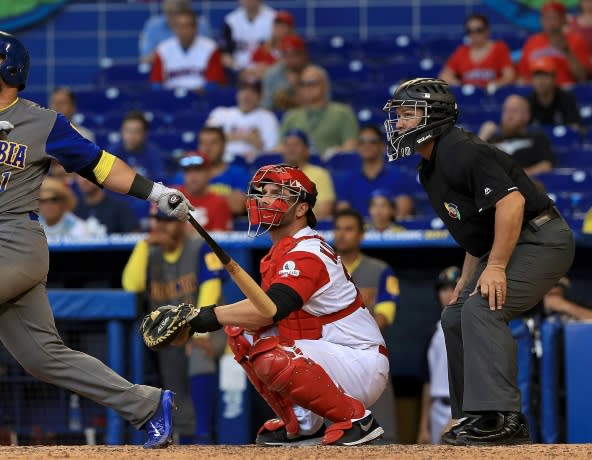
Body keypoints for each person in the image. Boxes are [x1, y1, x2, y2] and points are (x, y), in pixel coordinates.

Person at [0, 30, 194, 448]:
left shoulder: (43, 121)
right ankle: (148, 405)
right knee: (44, 358)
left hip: (13, 236)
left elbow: (99, 165)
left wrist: (154, 192)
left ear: (12, 68)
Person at [382, 77, 575, 445]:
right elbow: (477, 235)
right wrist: (465, 280)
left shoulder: (462, 150)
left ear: (432, 118)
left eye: (408, 114)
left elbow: (512, 202)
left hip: (542, 237)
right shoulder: (429, 169)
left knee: (483, 309)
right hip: (505, 243)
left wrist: (497, 267)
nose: (399, 123)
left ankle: (506, 419)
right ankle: (477, 415)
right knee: (454, 313)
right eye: (399, 115)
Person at [164, 164, 388, 446]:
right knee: (240, 331)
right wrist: (204, 317)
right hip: (327, 353)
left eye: (277, 193)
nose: (265, 199)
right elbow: (261, 316)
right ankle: (301, 425)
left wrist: (204, 317)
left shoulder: (307, 251)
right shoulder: (283, 250)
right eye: (263, 192)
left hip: (358, 360)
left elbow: (272, 308)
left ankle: (357, 420)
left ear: (301, 209)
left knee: (270, 353)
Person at [122, 205, 225, 444]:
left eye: (167, 221)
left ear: (181, 223)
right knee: (173, 378)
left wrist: (200, 332)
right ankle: (187, 441)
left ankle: (203, 437)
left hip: (209, 328)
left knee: (199, 355)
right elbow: (131, 285)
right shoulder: (151, 252)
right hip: (172, 336)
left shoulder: (199, 246)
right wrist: (143, 246)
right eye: (157, 221)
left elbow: (212, 286)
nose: (161, 227)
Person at [332, 207, 400, 442]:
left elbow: (385, 316)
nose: (341, 235)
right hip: (331, 363)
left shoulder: (380, 270)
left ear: (361, 235)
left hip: (369, 361)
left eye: (349, 229)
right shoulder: (323, 269)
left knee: (381, 436)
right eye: (338, 229)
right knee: (333, 435)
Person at [417, 266, 460, 445]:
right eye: (443, 289)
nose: (448, 294)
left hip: (465, 412)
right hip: (437, 409)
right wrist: (423, 427)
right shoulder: (433, 332)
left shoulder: (472, 330)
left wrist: (459, 416)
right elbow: (428, 382)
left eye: (453, 288)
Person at [278, 64, 359, 159]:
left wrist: (335, 154)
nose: (307, 87)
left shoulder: (343, 112)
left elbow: (351, 146)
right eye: (302, 84)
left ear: (325, 85)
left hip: (330, 169)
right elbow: (281, 147)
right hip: (298, 169)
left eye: (312, 83)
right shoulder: (291, 116)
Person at [336, 125, 414, 219]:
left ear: (382, 146)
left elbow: (403, 213)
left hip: (389, 231)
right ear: (357, 147)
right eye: (361, 142)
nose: (367, 145)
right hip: (357, 232)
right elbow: (343, 215)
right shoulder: (347, 180)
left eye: (372, 141)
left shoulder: (399, 176)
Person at [478, 94, 556, 176]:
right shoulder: (492, 139)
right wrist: (482, 138)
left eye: (514, 111)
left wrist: (519, 177)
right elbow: (474, 166)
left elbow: (546, 165)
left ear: (527, 116)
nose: (509, 115)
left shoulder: (537, 138)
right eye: (506, 110)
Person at [205, 78, 280, 163]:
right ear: (237, 93)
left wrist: (227, 136)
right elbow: (208, 141)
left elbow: (270, 150)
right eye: (243, 90)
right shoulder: (220, 113)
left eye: (253, 92)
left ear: (260, 97)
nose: (247, 95)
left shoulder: (268, 117)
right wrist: (248, 138)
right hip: (222, 163)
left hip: (253, 166)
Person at [150, 9, 226, 91]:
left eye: (186, 26)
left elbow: (213, 83)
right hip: (170, 99)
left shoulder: (210, 47)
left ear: (195, 28)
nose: (182, 30)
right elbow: (156, 84)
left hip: (202, 99)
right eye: (178, 26)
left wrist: (195, 92)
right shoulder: (163, 49)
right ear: (173, 28)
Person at [517, 1, 591, 85]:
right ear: (541, 21)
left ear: (563, 20)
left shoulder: (576, 41)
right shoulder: (532, 42)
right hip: (538, 92)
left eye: (554, 18)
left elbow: (583, 77)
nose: (550, 23)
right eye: (547, 18)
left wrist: (567, 51)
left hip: (567, 91)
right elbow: (522, 76)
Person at [438, 13, 515, 90]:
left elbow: (509, 76)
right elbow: (444, 75)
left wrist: (495, 85)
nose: (474, 34)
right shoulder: (462, 51)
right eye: (469, 31)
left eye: (479, 30)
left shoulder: (499, 48)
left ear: (487, 30)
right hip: (469, 97)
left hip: (493, 96)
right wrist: (459, 85)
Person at [280, 129, 335, 219]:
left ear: (307, 150)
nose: (291, 148)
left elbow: (324, 211)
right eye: (287, 145)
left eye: (296, 144)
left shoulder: (320, 174)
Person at [139, 0, 212, 64]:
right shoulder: (153, 25)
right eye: (169, 13)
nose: (173, 19)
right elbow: (145, 59)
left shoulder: (200, 24)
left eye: (177, 13)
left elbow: (209, 54)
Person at [176, 151, 233, 231]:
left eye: (198, 170)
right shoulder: (172, 198)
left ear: (209, 173)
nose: (192, 175)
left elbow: (219, 241)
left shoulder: (219, 203)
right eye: (187, 170)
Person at [106, 110, 166, 181]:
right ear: (121, 131)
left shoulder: (153, 152)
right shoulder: (113, 151)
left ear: (144, 133)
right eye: (128, 130)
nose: (131, 136)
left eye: (136, 131)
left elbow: (159, 180)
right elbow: (107, 179)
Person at [525, 57, 582, 130]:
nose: (540, 81)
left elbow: (575, 128)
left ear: (554, 78)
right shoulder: (527, 102)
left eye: (545, 76)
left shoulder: (567, 98)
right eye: (536, 77)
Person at [38, 177, 102, 241]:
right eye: (43, 200)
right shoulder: (31, 226)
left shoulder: (77, 227)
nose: (49, 205)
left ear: (63, 202)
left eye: (54, 199)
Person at [220, 0, 276, 72]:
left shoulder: (274, 18)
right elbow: (224, 54)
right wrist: (238, 68)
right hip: (238, 71)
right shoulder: (230, 20)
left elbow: (280, 50)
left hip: (267, 70)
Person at [74, 175, 140, 234]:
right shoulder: (72, 209)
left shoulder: (119, 206)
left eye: (88, 173)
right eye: (79, 175)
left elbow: (134, 237)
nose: (83, 180)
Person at [243, 10, 296, 82]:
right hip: (260, 85)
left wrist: (268, 69)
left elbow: (292, 69)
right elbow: (247, 72)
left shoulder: (295, 48)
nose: (278, 28)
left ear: (290, 29)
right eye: (276, 24)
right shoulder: (263, 48)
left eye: (282, 25)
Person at [260, 34, 309, 112]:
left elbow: (318, 106)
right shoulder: (272, 73)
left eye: (295, 55)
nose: (291, 60)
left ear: (304, 55)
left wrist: (296, 87)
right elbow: (266, 106)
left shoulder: (315, 74)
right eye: (286, 55)